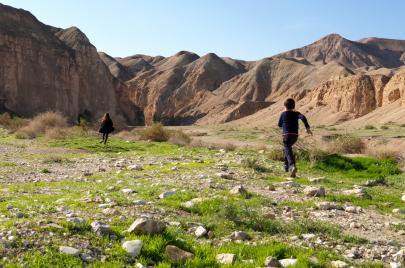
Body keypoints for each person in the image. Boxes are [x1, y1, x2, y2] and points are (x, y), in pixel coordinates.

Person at [278, 98, 313, 178]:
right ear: (293, 107)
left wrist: (284, 124)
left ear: (285, 107)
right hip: (295, 136)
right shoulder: (296, 113)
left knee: (287, 149)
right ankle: (285, 166)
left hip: (286, 135)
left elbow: (279, 125)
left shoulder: (283, 114)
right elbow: (303, 117)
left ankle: (292, 165)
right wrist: (307, 127)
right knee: (286, 149)